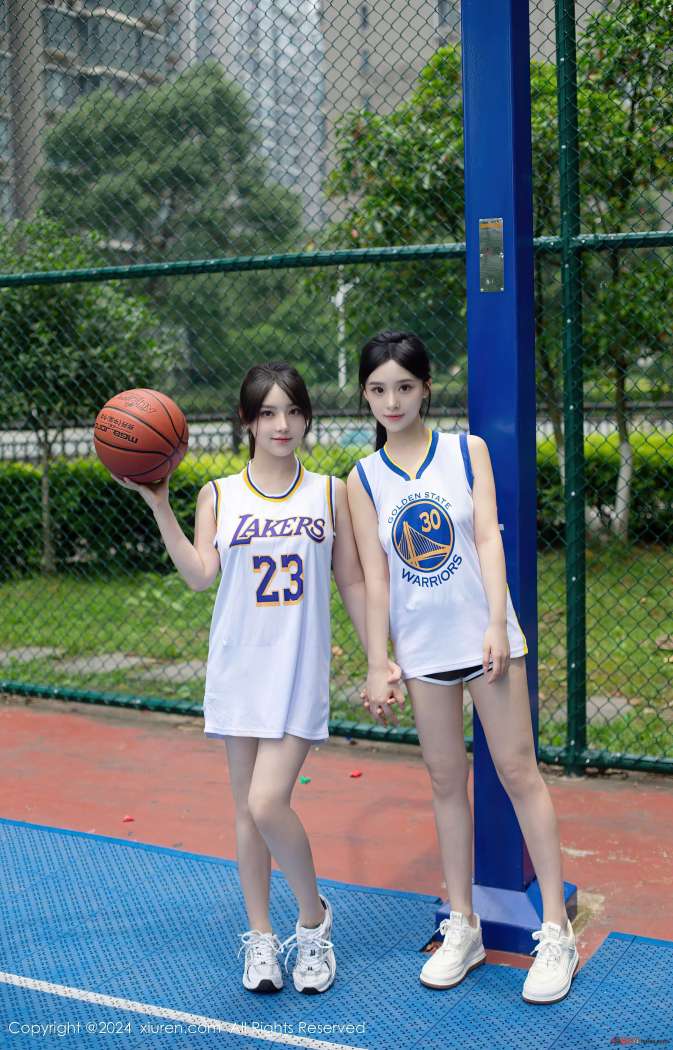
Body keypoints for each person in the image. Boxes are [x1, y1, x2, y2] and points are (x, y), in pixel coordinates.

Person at [115, 362, 401, 996]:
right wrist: (160, 505)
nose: (282, 424)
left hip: (298, 670)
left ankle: (313, 921)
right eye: (268, 413)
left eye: (293, 411)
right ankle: (261, 937)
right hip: (239, 666)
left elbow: (352, 581)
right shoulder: (218, 494)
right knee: (246, 813)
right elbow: (200, 575)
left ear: (307, 418)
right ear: (246, 420)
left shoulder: (330, 492)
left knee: (267, 802)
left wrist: (377, 660)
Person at [347, 331, 578, 1005]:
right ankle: (463, 926)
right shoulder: (362, 479)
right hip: (423, 653)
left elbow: (485, 537)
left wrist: (496, 623)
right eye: (378, 390)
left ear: (426, 388)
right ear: (365, 395)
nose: (392, 401)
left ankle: (556, 932)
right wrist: (377, 660)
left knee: (518, 773)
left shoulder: (464, 450)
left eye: (404, 387)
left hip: (484, 641)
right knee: (446, 783)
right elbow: (376, 577)